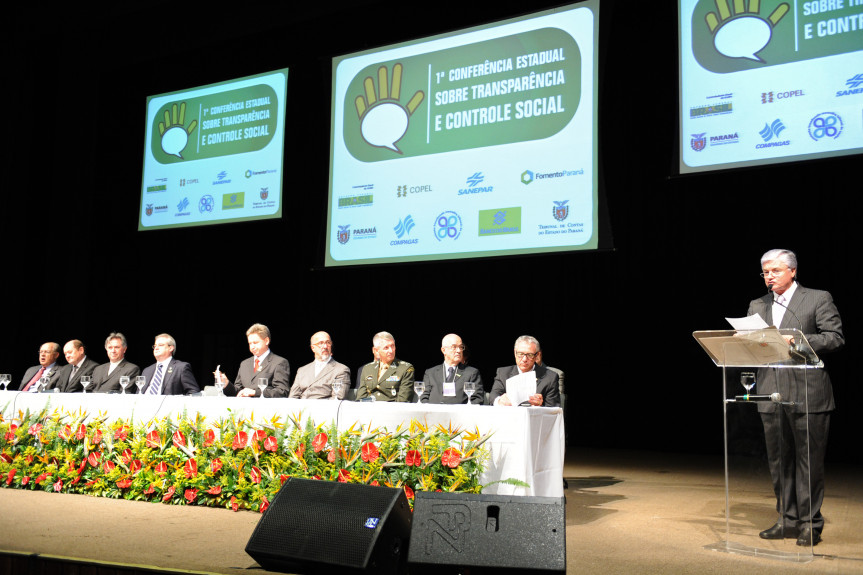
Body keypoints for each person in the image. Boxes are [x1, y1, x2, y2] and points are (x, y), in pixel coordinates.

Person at [747, 249, 844, 546]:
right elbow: (753, 345)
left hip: (807, 391)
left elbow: (834, 337)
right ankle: (786, 520)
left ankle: (810, 524)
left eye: (775, 271)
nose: (769, 277)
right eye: (765, 272)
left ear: (793, 271)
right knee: (779, 461)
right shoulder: (757, 305)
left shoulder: (817, 298)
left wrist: (798, 340)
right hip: (770, 390)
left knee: (808, 461)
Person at [219, 323, 290, 398]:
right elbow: (237, 392)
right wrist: (226, 384)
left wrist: (255, 392)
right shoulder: (244, 364)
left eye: (255, 343)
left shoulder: (279, 362)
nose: (252, 347)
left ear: (266, 341)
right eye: (250, 343)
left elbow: (282, 391)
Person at [489, 335, 560, 407]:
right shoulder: (503, 373)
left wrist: (540, 406)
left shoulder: (550, 378)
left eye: (530, 355)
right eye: (520, 354)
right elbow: (493, 395)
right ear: (515, 353)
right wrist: (500, 401)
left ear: (537, 355)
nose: (524, 359)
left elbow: (553, 409)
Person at [420, 333, 483, 405]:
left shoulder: (471, 373)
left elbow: (477, 399)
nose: (459, 351)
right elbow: (423, 397)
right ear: (443, 350)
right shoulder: (430, 373)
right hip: (433, 412)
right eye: (454, 347)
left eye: (461, 347)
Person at [289, 331, 351, 399]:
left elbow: (337, 398)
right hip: (302, 405)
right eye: (320, 343)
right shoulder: (302, 370)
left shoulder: (341, 370)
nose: (325, 346)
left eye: (328, 342)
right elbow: (293, 397)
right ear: (313, 348)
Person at [355, 331, 414, 402]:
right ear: (376, 350)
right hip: (369, 408)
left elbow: (403, 401)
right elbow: (360, 399)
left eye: (392, 346)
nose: (391, 351)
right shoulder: (367, 368)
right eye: (386, 348)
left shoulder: (405, 368)